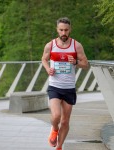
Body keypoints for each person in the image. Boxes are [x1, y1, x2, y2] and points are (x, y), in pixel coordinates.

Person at [41, 17, 88, 150]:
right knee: (56, 116)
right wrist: (47, 68)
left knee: (65, 121)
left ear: (70, 30)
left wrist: (75, 62)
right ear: (57, 30)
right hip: (54, 86)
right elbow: (44, 59)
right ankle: (54, 130)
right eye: (61, 30)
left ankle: (59, 146)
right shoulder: (50, 45)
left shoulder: (76, 46)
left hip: (69, 88)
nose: (64, 33)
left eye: (66, 30)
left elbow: (85, 64)